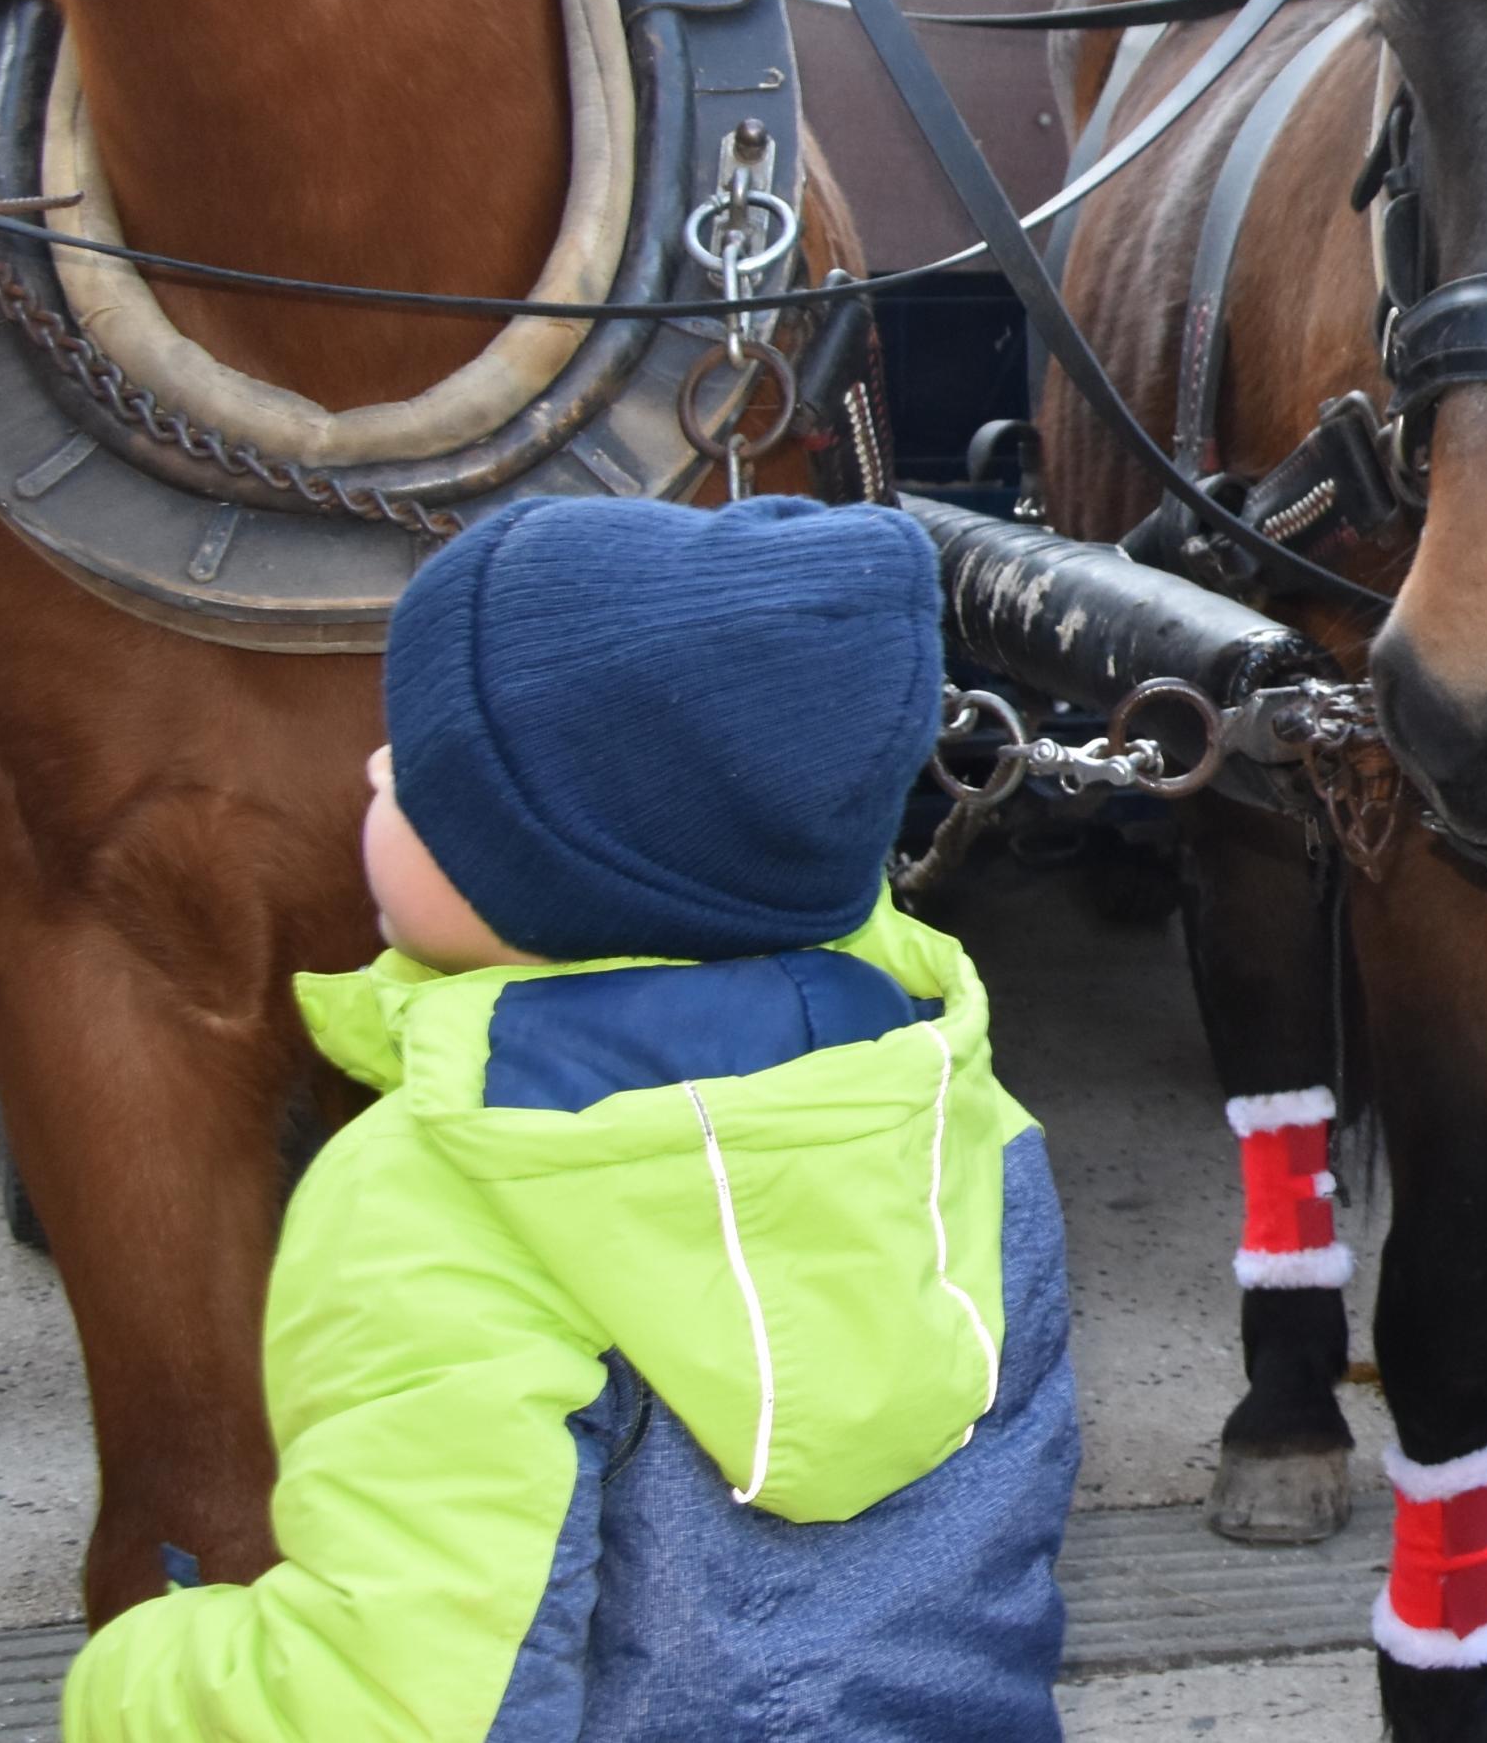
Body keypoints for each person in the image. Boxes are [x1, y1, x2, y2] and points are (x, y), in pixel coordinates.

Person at [59, 497, 1080, 1740]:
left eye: (425, 770)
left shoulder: (440, 1198)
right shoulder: (969, 1126)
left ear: (554, 865)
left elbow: (407, 1702)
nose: (373, 771)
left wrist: (139, 1674)